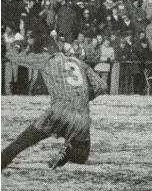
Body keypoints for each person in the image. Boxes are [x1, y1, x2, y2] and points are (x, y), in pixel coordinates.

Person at [2, 35, 108, 170]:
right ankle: (68, 151)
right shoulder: (79, 62)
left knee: (21, 143)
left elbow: (14, 57)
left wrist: (15, 46)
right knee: (81, 157)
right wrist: (82, 97)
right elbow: (102, 86)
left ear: (44, 51)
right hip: (81, 117)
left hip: (58, 113)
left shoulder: (47, 59)